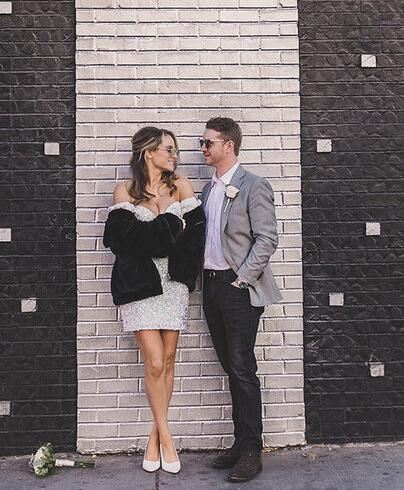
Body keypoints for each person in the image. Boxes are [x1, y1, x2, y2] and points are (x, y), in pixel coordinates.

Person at [103, 126, 206, 475]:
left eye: (174, 150)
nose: (173, 155)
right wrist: (166, 224)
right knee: (155, 362)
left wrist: (155, 233)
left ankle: (154, 438)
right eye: (167, 149)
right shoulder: (125, 191)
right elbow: (122, 241)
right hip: (139, 286)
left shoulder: (182, 187)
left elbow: (194, 241)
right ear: (149, 153)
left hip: (174, 283)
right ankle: (168, 439)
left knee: (170, 358)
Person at [199, 116, 281, 483]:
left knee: (243, 368)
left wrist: (241, 279)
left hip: (239, 289)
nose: (203, 149)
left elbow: (267, 238)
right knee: (231, 367)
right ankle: (240, 442)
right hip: (211, 287)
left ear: (228, 146)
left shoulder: (253, 185)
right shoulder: (208, 189)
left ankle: (252, 451)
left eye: (208, 143)